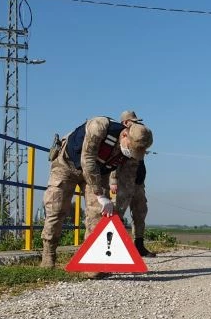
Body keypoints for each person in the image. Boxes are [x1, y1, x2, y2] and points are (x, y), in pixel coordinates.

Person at [40, 115, 153, 269]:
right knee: (56, 209)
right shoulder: (99, 126)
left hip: (98, 174)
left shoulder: (132, 154)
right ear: (125, 134)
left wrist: (115, 216)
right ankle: (48, 256)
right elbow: (87, 159)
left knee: (98, 214)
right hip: (66, 166)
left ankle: (91, 262)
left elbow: (127, 186)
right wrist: (100, 195)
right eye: (132, 148)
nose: (132, 153)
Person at [111, 110, 156, 257]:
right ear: (125, 123)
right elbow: (113, 161)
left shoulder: (138, 137)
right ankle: (114, 248)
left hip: (138, 182)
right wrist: (113, 181)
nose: (136, 123)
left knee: (140, 212)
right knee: (118, 213)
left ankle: (139, 246)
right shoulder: (122, 138)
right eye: (133, 121)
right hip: (124, 183)